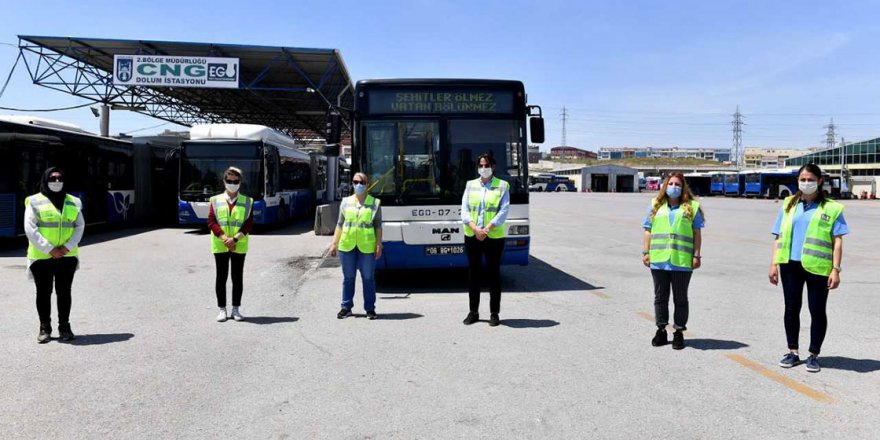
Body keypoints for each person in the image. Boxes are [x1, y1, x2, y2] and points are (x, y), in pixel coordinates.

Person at [770, 163, 848, 373]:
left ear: (819, 181)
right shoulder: (788, 204)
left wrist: (836, 269)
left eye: (810, 179)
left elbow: (837, 241)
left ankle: (813, 354)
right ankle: (792, 352)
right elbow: (778, 237)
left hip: (818, 268)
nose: (806, 183)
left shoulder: (831, 208)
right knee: (791, 309)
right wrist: (773, 264)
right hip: (790, 265)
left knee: (817, 310)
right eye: (802, 179)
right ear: (798, 181)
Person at [642, 172, 704, 350]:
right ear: (665, 186)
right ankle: (661, 329)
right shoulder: (655, 205)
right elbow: (648, 229)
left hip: (682, 261)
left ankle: (678, 332)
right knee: (660, 297)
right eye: (671, 184)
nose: (674, 187)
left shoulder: (691, 207)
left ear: (683, 187)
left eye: (677, 184)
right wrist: (646, 252)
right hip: (659, 260)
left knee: (680, 298)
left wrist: (697, 255)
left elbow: (696, 233)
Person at [24, 167, 84, 343]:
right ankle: (45, 328)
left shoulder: (74, 202)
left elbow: (79, 226)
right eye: (52, 178)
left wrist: (66, 248)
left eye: (59, 178)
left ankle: (65, 327)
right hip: (42, 257)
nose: (56, 181)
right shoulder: (35, 201)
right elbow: (30, 228)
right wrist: (49, 249)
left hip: (67, 256)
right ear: (45, 179)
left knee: (64, 292)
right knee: (43, 293)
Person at [461, 153, 510, 327]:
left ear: (493, 166)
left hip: (494, 237)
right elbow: (464, 210)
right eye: (480, 165)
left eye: (486, 165)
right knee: (473, 274)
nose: (483, 168)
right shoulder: (470, 185)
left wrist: (487, 229)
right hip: (473, 236)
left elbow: (503, 211)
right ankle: (473, 312)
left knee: (493, 275)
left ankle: (494, 313)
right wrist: (475, 229)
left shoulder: (502, 186)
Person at [330, 172, 383, 319]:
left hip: (367, 246)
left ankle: (370, 309)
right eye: (355, 182)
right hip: (347, 245)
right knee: (348, 277)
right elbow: (340, 224)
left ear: (367, 184)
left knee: (368, 278)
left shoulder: (375, 203)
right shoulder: (346, 202)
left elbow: (378, 226)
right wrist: (334, 243)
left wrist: (379, 244)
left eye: (361, 182)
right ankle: (346, 307)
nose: (358, 185)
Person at [207, 167, 254, 322]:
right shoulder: (215, 200)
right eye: (229, 181)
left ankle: (236, 309)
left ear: (240, 182)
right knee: (221, 277)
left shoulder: (248, 201)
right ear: (224, 181)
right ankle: (222, 309)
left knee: (237, 277)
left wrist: (234, 240)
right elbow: (211, 222)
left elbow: (248, 224)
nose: (232, 184)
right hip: (220, 245)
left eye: (235, 181)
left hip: (238, 244)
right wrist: (224, 238)